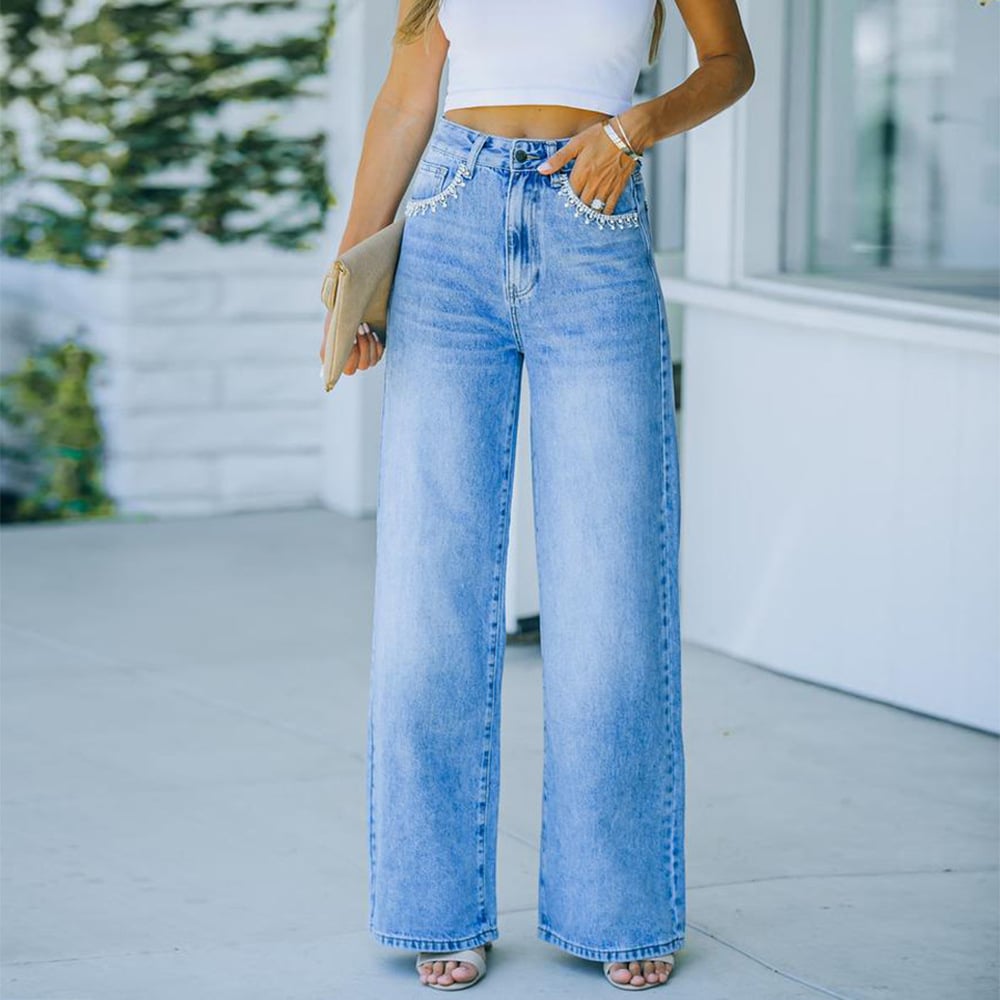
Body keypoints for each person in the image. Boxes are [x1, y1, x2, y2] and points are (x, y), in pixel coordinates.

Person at [320, 0, 754, 990]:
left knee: (611, 590)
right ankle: (436, 906)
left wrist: (630, 128)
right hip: (446, 226)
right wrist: (355, 277)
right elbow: (402, 102)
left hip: (592, 224)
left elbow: (728, 63)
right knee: (429, 594)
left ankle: (621, 905)